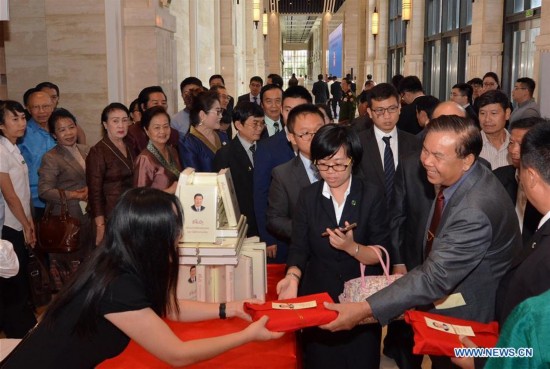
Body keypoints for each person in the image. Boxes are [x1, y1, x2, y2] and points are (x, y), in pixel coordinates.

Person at [0, 188, 283, 368]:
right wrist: (247, 336)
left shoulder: (116, 259)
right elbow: (177, 354)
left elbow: (166, 306)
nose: (180, 235)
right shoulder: (117, 283)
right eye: (174, 228)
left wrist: (229, 308)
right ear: (152, 235)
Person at [322, 115, 521, 369]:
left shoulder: (474, 210)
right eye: (425, 150)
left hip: (469, 324)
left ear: (466, 160)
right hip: (449, 307)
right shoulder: (465, 178)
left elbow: (434, 277)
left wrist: (364, 309)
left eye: (438, 156)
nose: (426, 161)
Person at [277, 123, 389, 369]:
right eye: (323, 164)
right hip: (320, 300)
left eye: (339, 164)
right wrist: (293, 277)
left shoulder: (371, 194)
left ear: (353, 160)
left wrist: (352, 247)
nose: (331, 172)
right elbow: (299, 248)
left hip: (360, 305)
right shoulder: (308, 196)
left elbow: (381, 254)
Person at [253, 86, 312, 263]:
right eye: (288, 110)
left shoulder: (322, 143)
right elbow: (260, 194)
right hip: (281, 235)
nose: (293, 116)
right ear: (281, 111)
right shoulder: (267, 147)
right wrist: (267, 238)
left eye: (300, 110)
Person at [38, 108, 93, 291]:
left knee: (88, 263)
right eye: (62, 130)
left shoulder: (86, 150)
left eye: (71, 127)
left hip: (87, 218)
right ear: (54, 134)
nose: (69, 133)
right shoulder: (51, 157)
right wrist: (74, 195)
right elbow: (44, 191)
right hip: (66, 220)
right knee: (70, 273)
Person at [0, 100, 37, 338]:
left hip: (20, 220)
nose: (22, 123)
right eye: (15, 119)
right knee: (13, 280)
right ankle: (17, 331)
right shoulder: (1, 150)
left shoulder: (14, 148)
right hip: (8, 226)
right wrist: (26, 225)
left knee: (22, 276)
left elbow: (24, 193)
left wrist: (30, 221)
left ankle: (23, 324)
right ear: (1, 125)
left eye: (23, 118)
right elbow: (10, 194)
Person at [266, 104, 326, 245]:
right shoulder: (283, 174)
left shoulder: (344, 165)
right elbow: (275, 219)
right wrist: (309, 230)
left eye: (319, 131)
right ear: (292, 137)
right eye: (305, 133)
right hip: (306, 254)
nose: (314, 138)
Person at [213, 102, 265, 237]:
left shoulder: (267, 149)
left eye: (262, 123)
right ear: (238, 125)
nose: (259, 128)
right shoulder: (225, 154)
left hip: (265, 221)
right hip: (241, 224)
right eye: (255, 124)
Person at [86, 103, 134, 246]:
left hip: (128, 211)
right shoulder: (98, 151)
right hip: (109, 215)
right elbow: (95, 191)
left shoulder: (129, 146)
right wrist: (100, 225)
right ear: (105, 125)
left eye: (125, 120)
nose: (121, 125)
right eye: (115, 121)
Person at [493, 117, 544, 247]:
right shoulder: (498, 177)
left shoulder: (545, 186)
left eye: (522, 144)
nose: (513, 150)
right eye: (511, 142)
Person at [18, 90, 56, 219]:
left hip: (62, 197)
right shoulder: (22, 133)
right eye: (36, 107)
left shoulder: (61, 129)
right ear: (28, 109)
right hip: (35, 201)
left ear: (53, 106)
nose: (41, 111)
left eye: (45, 106)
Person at [134, 106, 182, 193]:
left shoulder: (172, 151)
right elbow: (139, 197)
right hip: (157, 206)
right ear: (146, 130)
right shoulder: (144, 159)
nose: (162, 131)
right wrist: (169, 191)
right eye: (157, 127)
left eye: (166, 126)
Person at [179, 90, 228, 172]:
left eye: (221, 111)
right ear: (202, 115)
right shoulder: (188, 143)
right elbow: (193, 177)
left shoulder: (223, 136)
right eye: (218, 111)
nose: (221, 116)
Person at [126, 86, 179, 157]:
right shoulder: (131, 133)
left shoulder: (173, 134)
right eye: (155, 103)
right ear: (143, 107)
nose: (161, 106)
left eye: (163, 103)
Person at [476, 90, 512, 170]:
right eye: (482, 113)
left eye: (494, 113)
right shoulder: (470, 145)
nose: (487, 119)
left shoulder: (517, 147)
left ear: (507, 114)